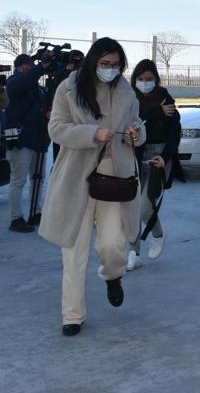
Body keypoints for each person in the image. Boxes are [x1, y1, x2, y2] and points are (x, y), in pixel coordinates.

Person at [38, 37, 145, 337]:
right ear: (92, 62)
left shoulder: (128, 92)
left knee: (112, 243)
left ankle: (113, 275)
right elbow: (56, 128)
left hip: (116, 174)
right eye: (104, 64)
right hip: (76, 174)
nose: (110, 70)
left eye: (115, 65)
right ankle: (72, 315)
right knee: (74, 249)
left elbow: (139, 127)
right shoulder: (68, 89)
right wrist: (92, 133)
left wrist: (137, 134)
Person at [126, 59, 182, 270]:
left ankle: (158, 234)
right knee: (130, 208)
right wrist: (156, 113)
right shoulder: (130, 100)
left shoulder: (166, 100)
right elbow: (133, 124)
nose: (144, 82)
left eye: (149, 79)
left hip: (158, 157)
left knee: (144, 208)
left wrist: (165, 157)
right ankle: (134, 252)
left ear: (156, 80)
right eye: (140, 79)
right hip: (133, 156)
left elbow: (175, 133)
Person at [4, 53, 51, 233]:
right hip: (20, 141)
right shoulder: (14, 82)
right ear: (22, 67)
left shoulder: (38, 88)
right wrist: (41, 68)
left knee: (38, 179)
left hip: (38, 140)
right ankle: (16, 218)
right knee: (18, 180)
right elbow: (24, 83)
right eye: (31, 67)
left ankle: (36, 212)